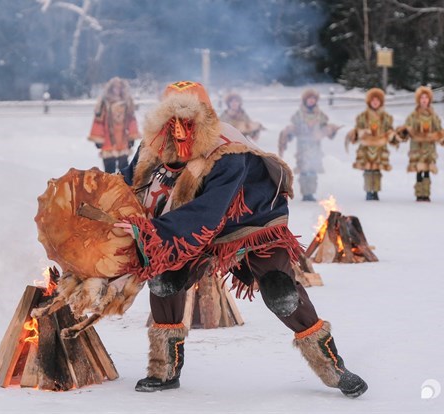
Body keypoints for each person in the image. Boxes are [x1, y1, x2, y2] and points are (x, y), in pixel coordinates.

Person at [115, 81, 367, 398]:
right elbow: (127, 183)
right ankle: (164, 368)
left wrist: (149, 230)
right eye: (172, 121)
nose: (179, 131)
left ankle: (333, 367)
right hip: (191, 220)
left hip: (251, 222)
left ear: (204, 117)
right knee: (165, 280)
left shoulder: (228, 149)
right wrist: (98, 198)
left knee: (280, 293)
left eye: (187, 122)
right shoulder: (152, 144)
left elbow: (208, 213)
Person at [279, 89, 340, 202]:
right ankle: (305, 193)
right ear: (305, 100)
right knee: (304, 169)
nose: (311, 101)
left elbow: (325, 127)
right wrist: (289, 134)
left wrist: (329, 130)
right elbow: (294, 128)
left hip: (315, 146)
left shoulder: (320, 115)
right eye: (309, 99)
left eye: (313, 99)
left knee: (312, 169)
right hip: (302, 146)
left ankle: (311, 193)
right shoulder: (299, 115)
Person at [396, 86, 444, 202]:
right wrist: (405, 132)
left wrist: (442, 135)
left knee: (427, 170)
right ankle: (418, 194)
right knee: (418, 170)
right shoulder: (413, 115)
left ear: (429, 100)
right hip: (417, 146)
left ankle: (426, 194)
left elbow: (438, 129)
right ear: (418, 100)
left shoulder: (433, 116)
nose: (424, 100)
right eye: (422, 98)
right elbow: (407, 127)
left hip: (429, 147)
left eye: (426, 97)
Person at [345, 88, 399, 201]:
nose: (375, 102)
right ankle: (368, 191)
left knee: (377, 171)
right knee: (368, 171)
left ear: (381, 102)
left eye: (377, 100)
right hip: (366, 147)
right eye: (373, 100)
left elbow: (390, 130)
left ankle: (376, 191)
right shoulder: (362, 117)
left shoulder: (386, 117)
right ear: (369, 101)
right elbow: (357, 130)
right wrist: (361, 132)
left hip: (380, 147)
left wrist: (392, 136)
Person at [88, 77, 140, 173]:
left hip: (123, 140)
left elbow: (131, 120)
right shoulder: (104, 102)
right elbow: (99, 121)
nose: (117, 90)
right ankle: (109, 187)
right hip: (108, 140)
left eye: (120, 88)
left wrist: (132, 137)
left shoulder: (127, 102)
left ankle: (123, 187)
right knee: (109, 169)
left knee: (123, 169)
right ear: (111, 89)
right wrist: (98, 138)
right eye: (115, 88)